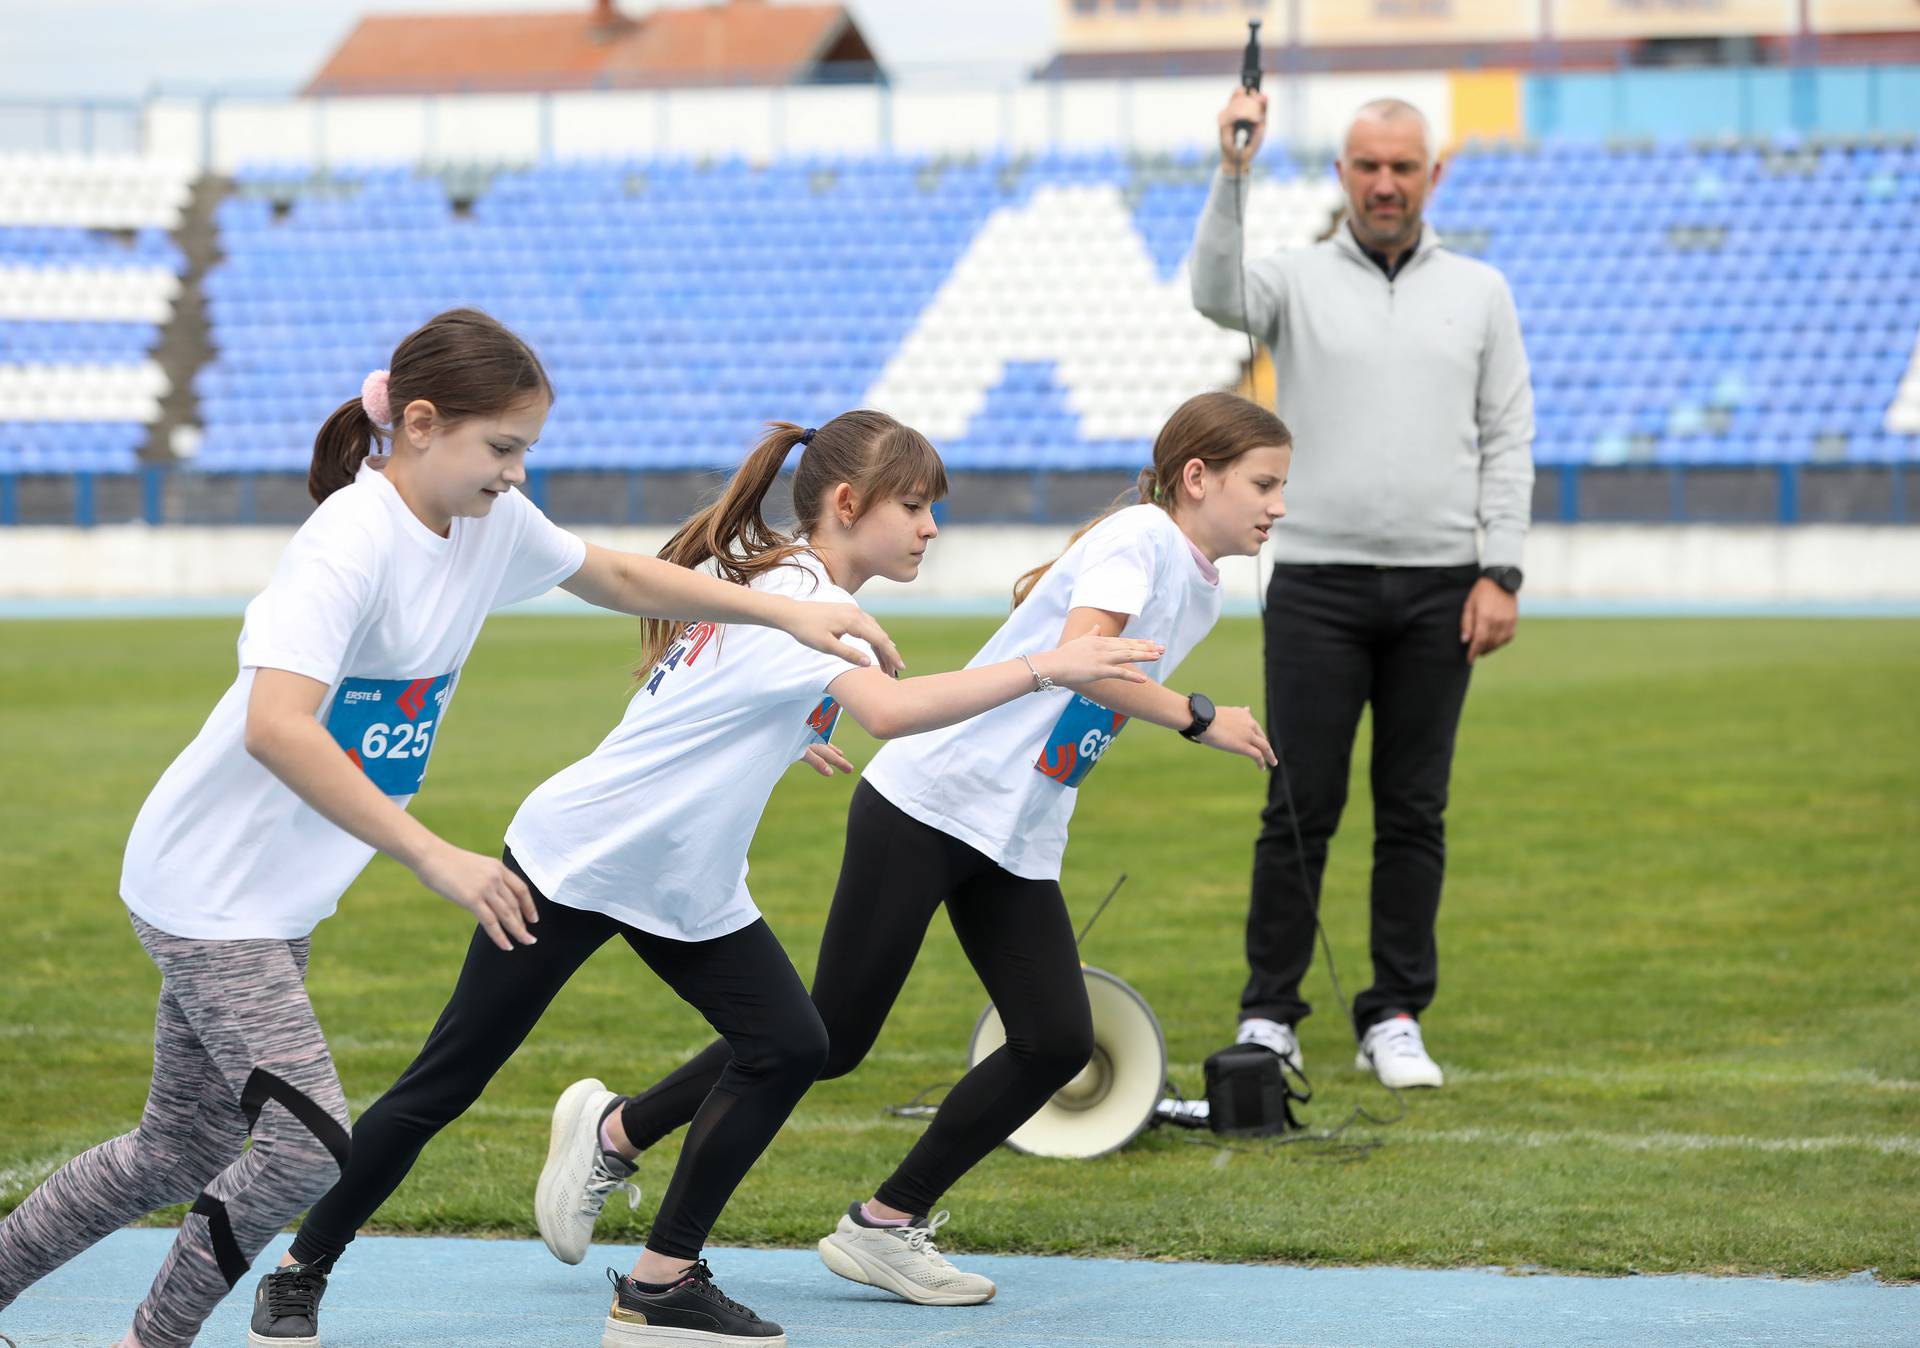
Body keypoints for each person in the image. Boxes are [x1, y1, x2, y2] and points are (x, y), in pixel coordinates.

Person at [0, 309, 910, 1348]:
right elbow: (275, 727)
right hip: (211, 894)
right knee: (303, 1146)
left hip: (277, 896)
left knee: (177, 1147)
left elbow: (611, 574)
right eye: (504, 448)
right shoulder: (349, 541)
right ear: (422, 425)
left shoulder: (484, 523)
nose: (518, 473)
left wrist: (784, 611)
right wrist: (433, 853)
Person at [250, 410, 1162, 1348]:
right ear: (847, 505)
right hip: (579, 862)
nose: (932, 527)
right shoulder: (805, 597)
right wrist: (1047, 663)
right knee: (445, 1083)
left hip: (686, 886)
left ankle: (660, 1283)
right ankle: (297, 1270)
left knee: (793, 1044)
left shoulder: (781, 586)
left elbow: (734, 690)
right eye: (917, 507)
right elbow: (889, 712)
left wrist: (799, 726)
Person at [535, 390, 1288, 1309]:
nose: (1277, 506)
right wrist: (1200, 716)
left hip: (1015, 828)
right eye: (1264, 483)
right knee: (831, 1038)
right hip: (931, 802)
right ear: (1198, 478)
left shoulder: (1192, 571)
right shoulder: (1143, 540)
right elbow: (1090, 654)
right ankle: (617, 1132)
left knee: (1055, 1040)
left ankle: (886, 1224)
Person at [1192, 91, 1536, 1088]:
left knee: (1414, 809)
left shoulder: (1480, 290)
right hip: (1318, 583)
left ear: (1432, 175)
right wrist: (1233, 170)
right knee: (1298, 802)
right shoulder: (1294, 279)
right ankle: (1270, 1013)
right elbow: (1213, 291)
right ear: (1343, 175)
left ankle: (1393, 1013)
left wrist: (1499, 568)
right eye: (1367, 166)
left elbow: (1509, 435)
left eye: (1404, 166)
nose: (1385, 183)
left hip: (1442, 585)